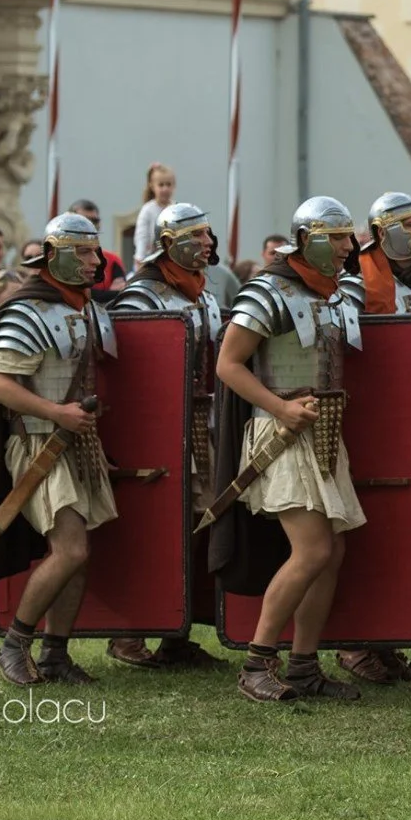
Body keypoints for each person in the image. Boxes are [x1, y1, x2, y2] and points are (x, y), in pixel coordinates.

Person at [209, 198, 367, 704]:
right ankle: (258, 662)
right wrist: (280, 408)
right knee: (314, 549)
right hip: (281, 435)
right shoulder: (267, 291)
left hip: (323, 434)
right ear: (310, 239)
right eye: (339, 238)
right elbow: (228, 365)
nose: (349, 247)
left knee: (333, 551)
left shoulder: (335, 293)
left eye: (349, 237)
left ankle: (302, 664)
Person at [0, 214, 116, 686]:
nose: (94, 261)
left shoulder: (80, 307)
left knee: (78, 552)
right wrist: (56, 412)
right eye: (83, 252)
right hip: (38, 444)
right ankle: (14, 645)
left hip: (75, 443)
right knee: (70, 550)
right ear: (55, 255)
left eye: (95, 251)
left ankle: (55, 655)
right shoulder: (26, 311)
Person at [105, 203, 234, 673]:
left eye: (207, 235)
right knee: (156, 529)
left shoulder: (204, 295)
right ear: (167, 245)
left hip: (202, 426)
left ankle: (174, 635)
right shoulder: (142, 298)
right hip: (157, 432)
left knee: (196, 529)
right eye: (194, 236)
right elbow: (131, 373)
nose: (205, 243)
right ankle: (128, 632)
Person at [67, 200, 128, 293]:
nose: (90, 225)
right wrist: (109, 293)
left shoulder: (112, 260)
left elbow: (120, 293)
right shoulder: (63, 257)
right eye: (84, 220)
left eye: (95, 220)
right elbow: (71, 291)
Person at [133, 163, 176, 265]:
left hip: (173, 257)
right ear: (152, 186)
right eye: (161, 185)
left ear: (174, 185)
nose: (165, 189)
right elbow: (141, 235)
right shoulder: (147, 209)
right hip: (151, 259)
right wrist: (140, 256)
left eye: (168, 184)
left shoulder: (176, 208)